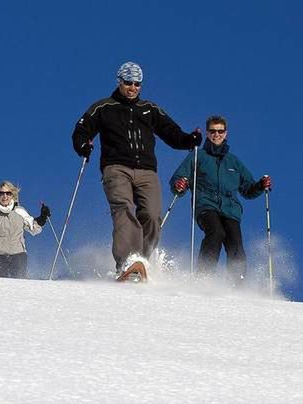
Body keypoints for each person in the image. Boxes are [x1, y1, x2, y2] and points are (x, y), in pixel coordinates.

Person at [71, 61, 202, 281]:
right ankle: (127, 262)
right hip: (116, 167)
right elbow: (81, 129)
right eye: (128, 83)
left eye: (137, 84)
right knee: (123, 208)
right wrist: (83, 145)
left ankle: (142, 262)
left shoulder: (149, 109)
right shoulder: (104, 107)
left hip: (146, 171)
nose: (133, 88)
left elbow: (171, 132)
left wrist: (189, 140)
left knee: (151, 215)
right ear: (119, 82)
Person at [169, 115, 271, 285]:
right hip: (206, 205)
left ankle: (237, 282)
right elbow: (180, 177)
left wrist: (260, 185)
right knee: (216, 232)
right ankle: (203, 276)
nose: (217, 134)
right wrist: (180, 185)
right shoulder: (198, 155)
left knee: (235, 243)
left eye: (220, 131)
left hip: (230, 209)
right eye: (213, 131)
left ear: (226, 133)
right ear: (207, 133)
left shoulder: (233, 162)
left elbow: (247, 189)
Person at [0, 181, 50, 278]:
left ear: (12, 195)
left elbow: (34, 228)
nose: (5, 196)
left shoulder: (19, 211)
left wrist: (42, 218)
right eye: (1, 193)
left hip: (18, 255)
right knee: (1, 285)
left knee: (18, 285)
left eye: (8, 193)